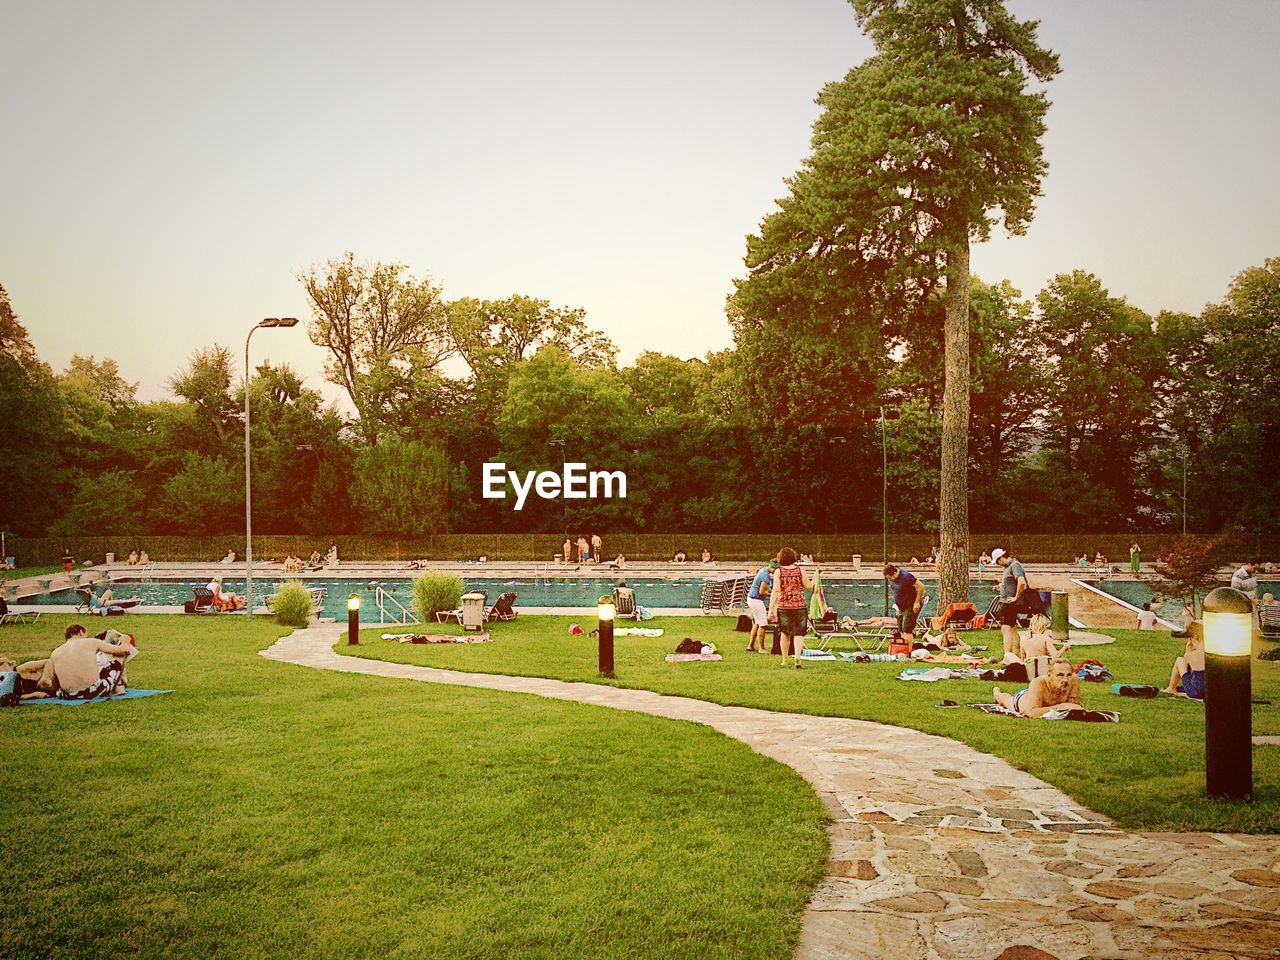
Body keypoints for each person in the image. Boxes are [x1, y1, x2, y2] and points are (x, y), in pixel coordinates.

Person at [45, 623, 134, 700]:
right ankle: (117, 686)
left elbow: (55, 683)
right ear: (80, 632)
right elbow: (123, 650)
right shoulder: (91, 642)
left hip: (68, 695)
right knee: (119, 656)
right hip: (93, 692)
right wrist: (125, 641)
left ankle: (116, 686)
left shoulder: (55, 652)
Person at [993, 657, 1084, 717]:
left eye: (1068, 675)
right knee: (1005, 699)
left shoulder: (1073, 679)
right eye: (1060, 675)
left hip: (1037, 698)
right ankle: (996, 692)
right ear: (1049, 674)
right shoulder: (1038, 682)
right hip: (1022, 700)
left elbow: (1074, 706)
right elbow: (1029, 713)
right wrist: (1062, 706)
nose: (1065, 680)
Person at [768, 548, 813, 669]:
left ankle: (784, 659)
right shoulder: (800, 570)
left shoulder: (778, 572)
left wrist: (770, 609)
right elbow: (809, 587)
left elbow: (776, 590)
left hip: (784, 606)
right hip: (799, 606)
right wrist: (816, 579)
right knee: (799, 634)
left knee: (785, 633)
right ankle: (797, 657)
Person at [992, 548, 1028, 660]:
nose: (998, 564)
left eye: (997, 562)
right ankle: (1015, 653)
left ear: (1001, 558)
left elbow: (1022, 582)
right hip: (1007, 602)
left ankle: (1007, 655)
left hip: (1010, 604)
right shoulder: (1008, 567)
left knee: (1006, 628)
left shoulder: (1015, 565)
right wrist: (1001, 588)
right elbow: (1011, 583)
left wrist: (1016, 597)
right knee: (1012, 628)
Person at [1164, 622, 1205, 699]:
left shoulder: (1190, 655)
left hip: (1195, 692)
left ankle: (1171, 688)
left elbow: (1187, 668)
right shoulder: (1211, 652)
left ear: (1194, 638)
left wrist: (1188, 650)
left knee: (1180, 660)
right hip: (1211, 691)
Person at [883, 563, 925, 639]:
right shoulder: (893, 579)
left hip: (910, 605)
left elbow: (921, 587)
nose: (890, 579)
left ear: (895, 573)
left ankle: (908, 650)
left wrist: (917, 602)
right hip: (900, 607)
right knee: (901, 630)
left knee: (907, 629)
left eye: (890, 578)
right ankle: (903, 648)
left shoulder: (906, 576)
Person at [746, 561, 777, 653]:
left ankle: (750, 645)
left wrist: (771, 590)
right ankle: (761, 648)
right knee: (763, 624)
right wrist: (771, 594)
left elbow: (765, 587)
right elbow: (762, 591)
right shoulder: (766, 576)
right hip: (757, 600)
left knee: (757, 622)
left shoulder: (762, 570)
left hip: (751, 598)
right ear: (773, 568)